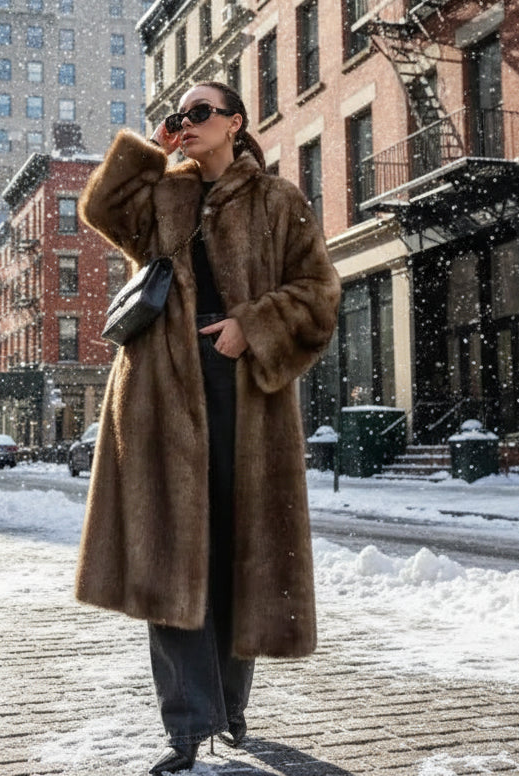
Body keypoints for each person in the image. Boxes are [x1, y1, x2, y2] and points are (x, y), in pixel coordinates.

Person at [75, 81, 341, 775]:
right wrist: (148, 151)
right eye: (177, 115)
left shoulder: (278, 201)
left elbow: (318, 296)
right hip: (158, 397)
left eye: (199, 114)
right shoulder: (164, 192)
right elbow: (100, 207)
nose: (185, 124)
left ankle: (227, 706)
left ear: (235, 123)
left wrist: (252, 328)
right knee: (171, 559)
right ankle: (190, 727)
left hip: (245, 394)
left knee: (234, 555)